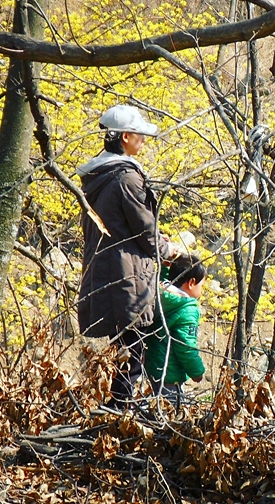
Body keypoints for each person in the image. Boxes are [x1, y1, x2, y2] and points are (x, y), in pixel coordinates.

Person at [76, 104, 176, 408]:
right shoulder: (126, 178)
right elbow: (144, 230)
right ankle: (119, 415)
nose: (143, 140)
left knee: (114, 356)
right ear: (125, 137)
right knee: (132, 353)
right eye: (139, 135)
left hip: (101, 273)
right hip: (127, 279)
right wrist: (166, 250)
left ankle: (111, 412)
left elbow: (119, 225)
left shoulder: (95, 177)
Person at [144, 254, 206, 407]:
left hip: (150, 366)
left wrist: (165, 267)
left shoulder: (159, 293)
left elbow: (165, 280)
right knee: (171, 412)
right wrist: (197, 372)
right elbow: (185, 347)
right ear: (191, 283)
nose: (202, 289)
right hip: (170, 374)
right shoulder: (187, 309)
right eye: (202, 285)